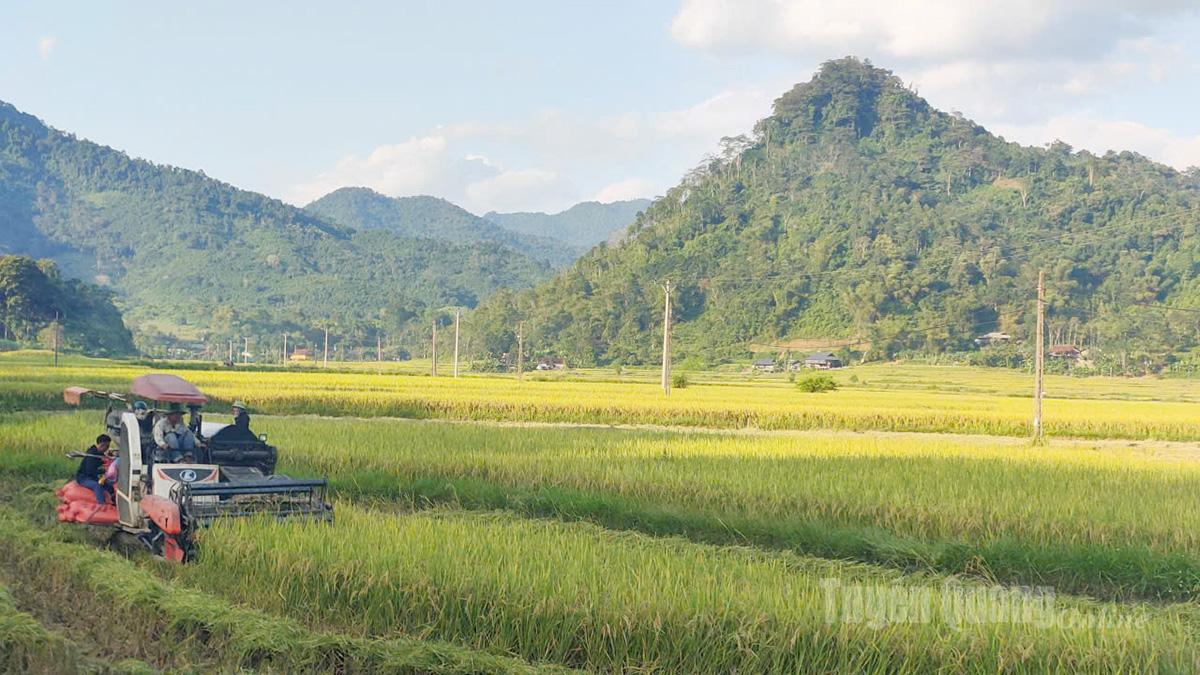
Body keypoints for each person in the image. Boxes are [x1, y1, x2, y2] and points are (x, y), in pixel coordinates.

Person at [75, 434, 114, 504]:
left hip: (93, 477)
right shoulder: (91, 454)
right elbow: (90, 471)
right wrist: (103, 470)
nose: (107, 448)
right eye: (107, 446)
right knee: (97, 486)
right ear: (102, 445)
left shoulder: (99, 453)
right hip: (84, 478)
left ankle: (113, 501)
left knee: (109, 486)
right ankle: (102, 505)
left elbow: (104, 459)